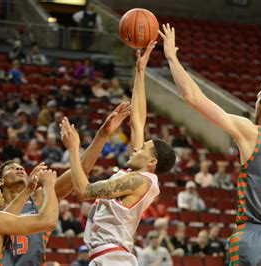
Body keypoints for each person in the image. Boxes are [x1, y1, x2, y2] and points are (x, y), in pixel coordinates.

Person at [160, 23, 261, 265]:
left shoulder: (253, 132)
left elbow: (193, 98)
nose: (256, 102)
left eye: (258, 99)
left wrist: (172, 58)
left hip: (254, 236)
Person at [60, 41, 176, 265]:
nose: (137, 148)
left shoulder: (139, 180)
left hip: (114, 258)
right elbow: (137, 122)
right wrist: (140, 72)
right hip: (109, 256)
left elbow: (84, 190)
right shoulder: (139, 176)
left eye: (143, 148)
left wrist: (74, 150)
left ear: (152, 161)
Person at [0, 102, 132, 265]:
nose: (19, 168)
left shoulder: (40, 198)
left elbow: (81, 169)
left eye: (20, 167)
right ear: (0, 181)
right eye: (11, 168)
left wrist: (102, 134)